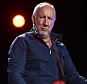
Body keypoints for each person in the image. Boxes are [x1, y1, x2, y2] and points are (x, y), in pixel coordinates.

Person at [8, 2, 87, 84]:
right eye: (42, 17)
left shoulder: (60, 47)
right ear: (33, 19)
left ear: (54, 21)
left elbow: (73, 77)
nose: (46, 23)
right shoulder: (23, 41)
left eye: (49, 18)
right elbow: (14, 75)